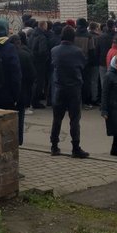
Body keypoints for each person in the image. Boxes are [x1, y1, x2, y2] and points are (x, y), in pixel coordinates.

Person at [49, 25, 89, 158]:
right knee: (74, 119)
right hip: (74, 88)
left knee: (57, 118)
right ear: (73, 37)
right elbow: (83, 65)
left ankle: (54, 146)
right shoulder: (77, 51)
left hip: (59, 87)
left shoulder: (54, 50)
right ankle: (75, 148)